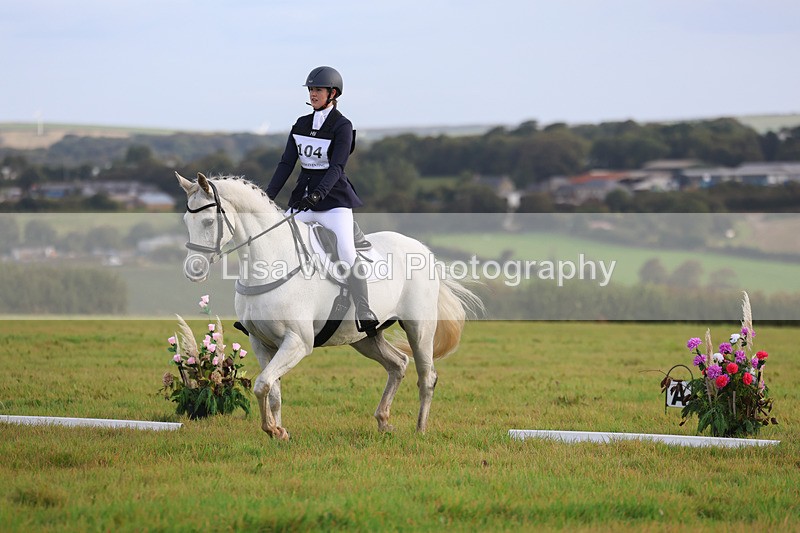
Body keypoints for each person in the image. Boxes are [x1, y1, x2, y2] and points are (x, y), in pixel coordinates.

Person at [266, 66, 379, 336]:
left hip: (333, 200)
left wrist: (319, 194)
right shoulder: (301, 124)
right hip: (303, 198)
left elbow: (337, 167)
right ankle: (265, 310)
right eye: (311, 90)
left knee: (346, 251)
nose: (313, 94)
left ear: (332, 93)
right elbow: (286, 163)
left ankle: (364, 309)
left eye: (318, 90)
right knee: (275, 241)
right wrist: (267, 195)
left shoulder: (343, 126)